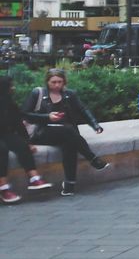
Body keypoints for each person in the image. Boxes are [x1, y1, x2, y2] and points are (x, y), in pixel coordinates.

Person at [20, 69, 107, 197]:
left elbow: (83, 110)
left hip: (65, 133)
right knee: (68, 131)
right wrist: (47, 117)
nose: (56, 85)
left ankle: (69, 185)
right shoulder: (37, 93)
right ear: (47, 82)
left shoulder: (70, 94)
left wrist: (95, 125)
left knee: (69, 143)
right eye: (53, 82)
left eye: (60, 82)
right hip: (41, 132)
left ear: (64, 82)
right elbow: (25, 114)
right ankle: (92, 158)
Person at [0, 76, 55, 203]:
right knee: (1, 150)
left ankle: (34, 178)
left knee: (22, 146)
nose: (13, 88)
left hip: (5, 133)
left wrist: (27, 142)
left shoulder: (9, 102)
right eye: (10, 86)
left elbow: (18, 123)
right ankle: (3, 188)